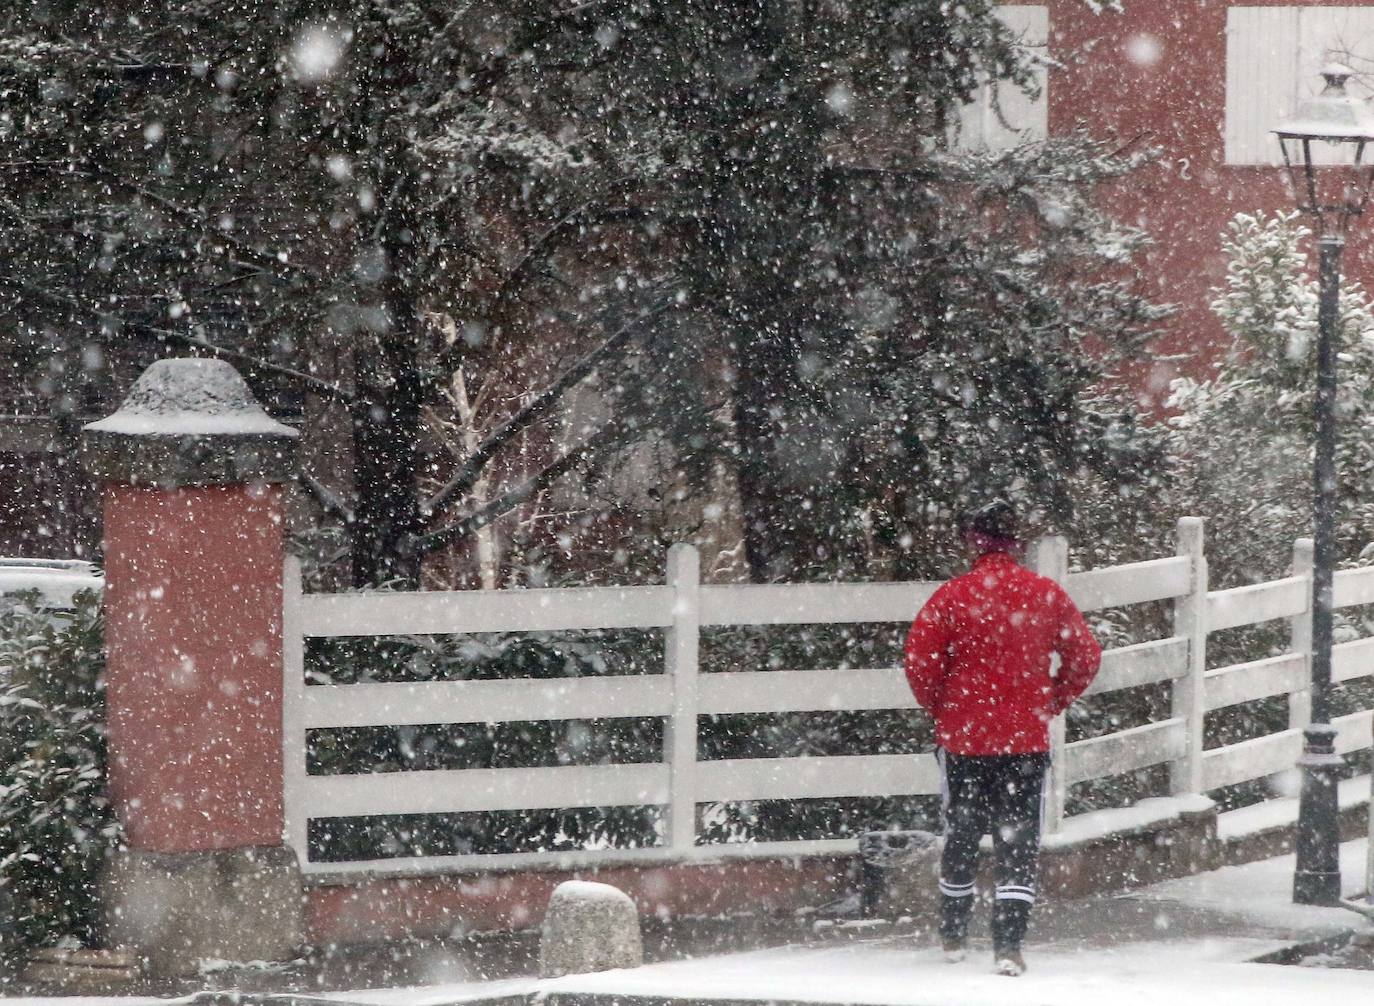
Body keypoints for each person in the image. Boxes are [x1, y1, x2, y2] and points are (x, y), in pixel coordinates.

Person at [903, 500, 1101, 977]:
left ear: (974, 541)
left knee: (963, 831)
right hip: (1025, 741)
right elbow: (1086, 657)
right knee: (1018, 839)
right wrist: (1050, 701)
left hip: (965, 739)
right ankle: (1008, 944)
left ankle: (953, 932)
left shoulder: (952, 597)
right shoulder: (1045, 595)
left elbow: (920, 662)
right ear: (1018, 543)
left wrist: (944, 709)